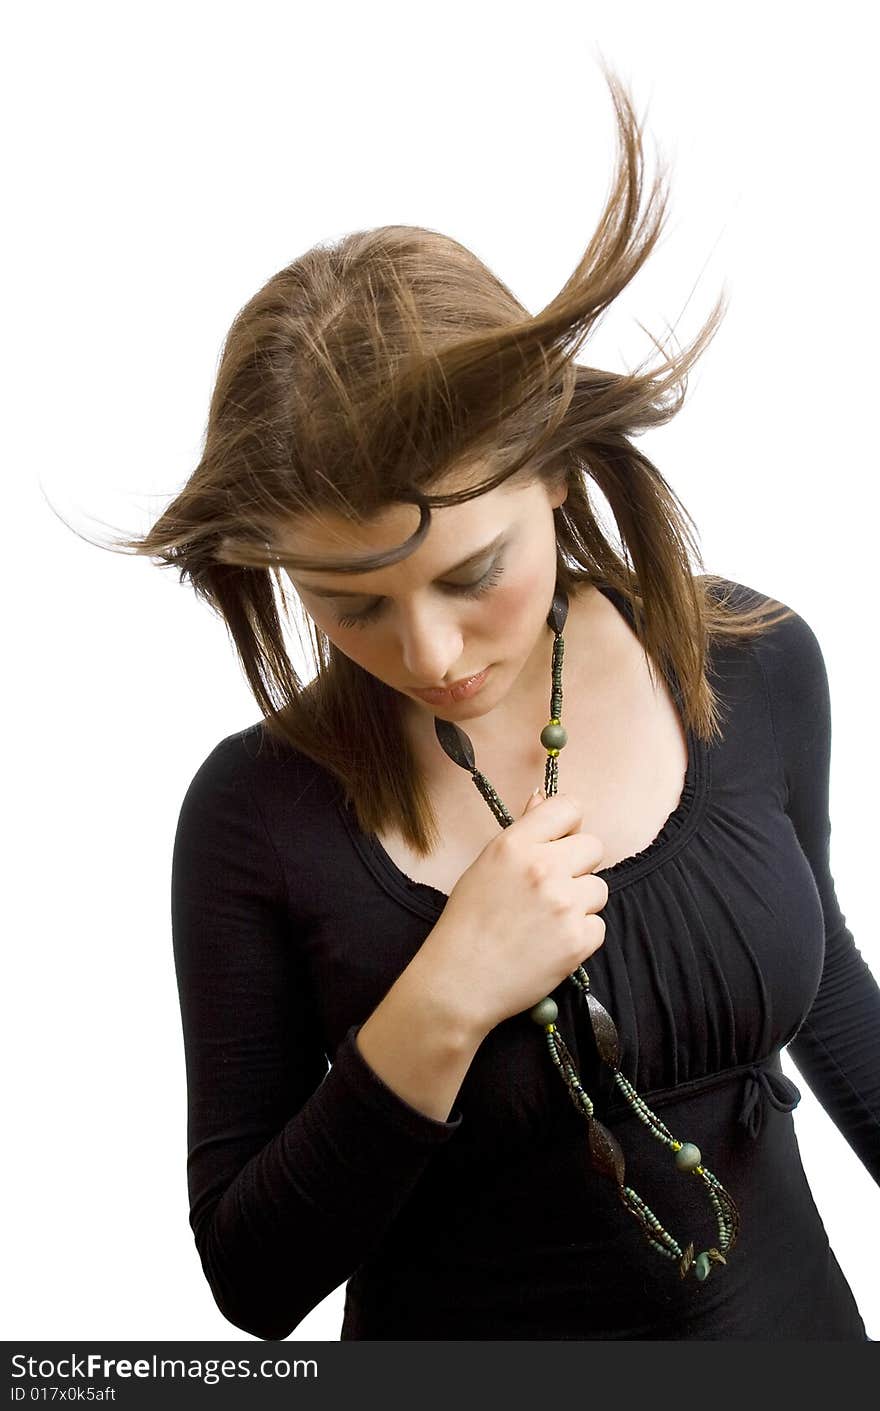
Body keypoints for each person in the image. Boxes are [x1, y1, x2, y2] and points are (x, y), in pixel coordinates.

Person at [105, 68, 879, 1339]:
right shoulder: (254, 817)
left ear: (559, 474)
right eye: (348, 604)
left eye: (474, 575)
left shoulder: (752, 659)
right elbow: (252, 1279)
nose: (428, 650)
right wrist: (445, 993)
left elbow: (828, 987)